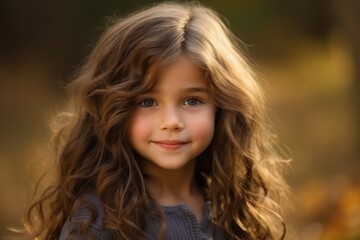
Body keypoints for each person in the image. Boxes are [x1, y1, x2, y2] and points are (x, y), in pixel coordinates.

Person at [24, 2, 290, 239]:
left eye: (192, 101)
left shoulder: (234, 212)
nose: (171, 122)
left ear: (222, 108)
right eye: (148, 102)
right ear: (114, 109)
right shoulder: (97, 223)